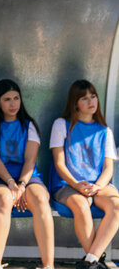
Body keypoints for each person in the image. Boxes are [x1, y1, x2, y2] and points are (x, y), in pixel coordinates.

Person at [0, 79, 54, 269]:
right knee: (5, 199)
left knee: (41, 199)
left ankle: (48, 265)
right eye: (7, 99)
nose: (13, 104)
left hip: (26, 177)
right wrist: (11, 183)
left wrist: (21, 185)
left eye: (16, 98)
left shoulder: (29, 126)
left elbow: (30, 161)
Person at [50, 79, 119, 269]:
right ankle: (96, 261)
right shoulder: (61, 125)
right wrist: (76, 185)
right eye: (84, 98)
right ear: (75, 104)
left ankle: (90, 261)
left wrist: (97, 186)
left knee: (117, 206)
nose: (91, 102)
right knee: (81, 205)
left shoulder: (105, 131)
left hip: (98, 185)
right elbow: (59, 163)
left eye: (93, 96)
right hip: (68, 185)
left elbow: (108, 169)